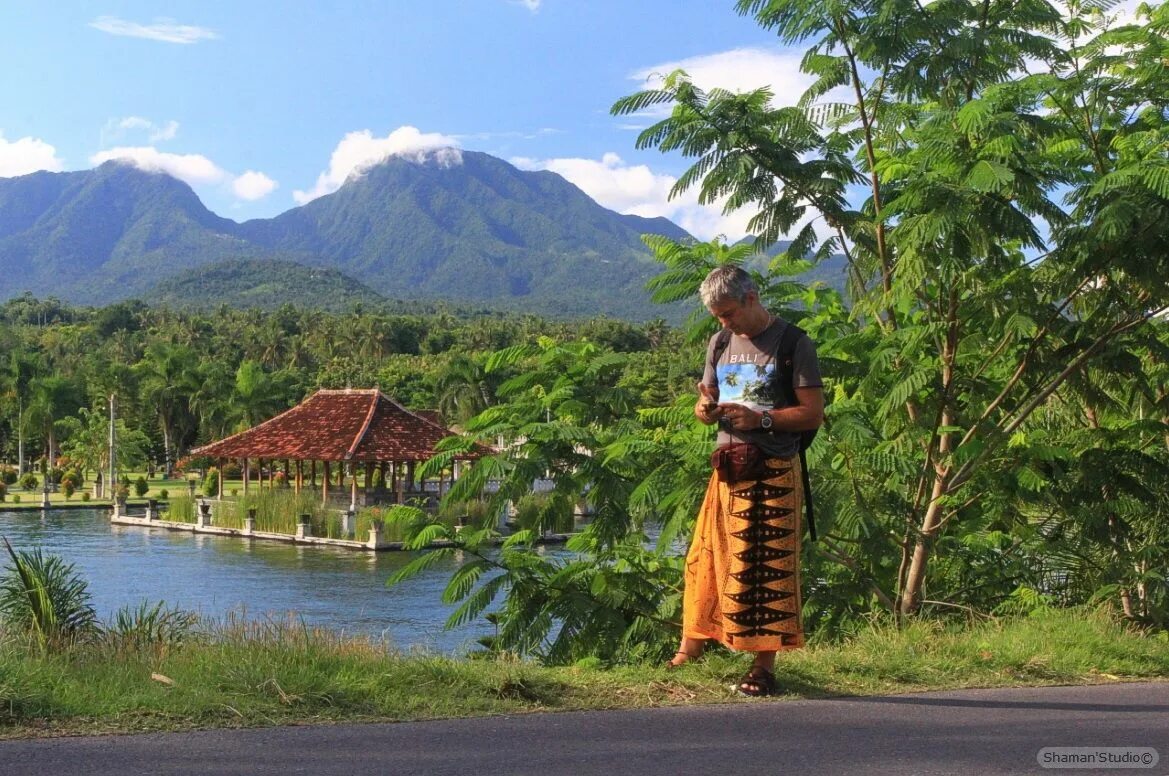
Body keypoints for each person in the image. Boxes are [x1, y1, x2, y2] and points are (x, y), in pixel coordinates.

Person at [669, 265, 825, 696]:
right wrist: (704, 409)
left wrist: (764, 418)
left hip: (773, 469)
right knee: (705, 556)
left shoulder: (794, 343)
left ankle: (762, 666)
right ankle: (691, 646)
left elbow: (812, 413)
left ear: (752, 297)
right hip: (728, 469)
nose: (725, 322)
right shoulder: (719, 342)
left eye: (730, 313)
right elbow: (708, 395)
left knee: (766, 568)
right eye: (718, 316)